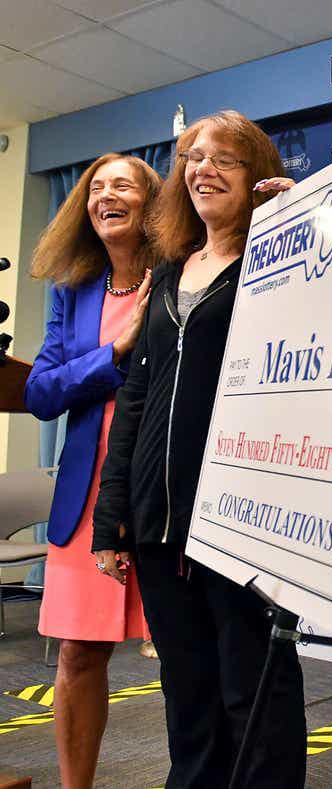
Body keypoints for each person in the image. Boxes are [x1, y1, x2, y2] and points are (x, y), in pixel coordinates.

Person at [92, 110, 302, 789]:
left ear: (255, 173)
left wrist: (301, 224)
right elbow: (135, 397)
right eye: (193, 158)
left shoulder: (278, 262)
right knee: (187, 698)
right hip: (158, 524)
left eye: (224, 159)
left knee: (254, 694)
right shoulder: (166, 273)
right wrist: (113, 514)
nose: (204, 169)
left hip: (241, 519)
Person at [24, 153, 161, 789]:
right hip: (85, 500)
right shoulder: (72, 291)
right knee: (78, 656)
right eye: (96, 187)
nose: (107, 195)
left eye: (123, 185)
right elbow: (41, 393)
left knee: (186, 655)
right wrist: (114, 352)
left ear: (152, 201)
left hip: (164, 490)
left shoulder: (182, 275)